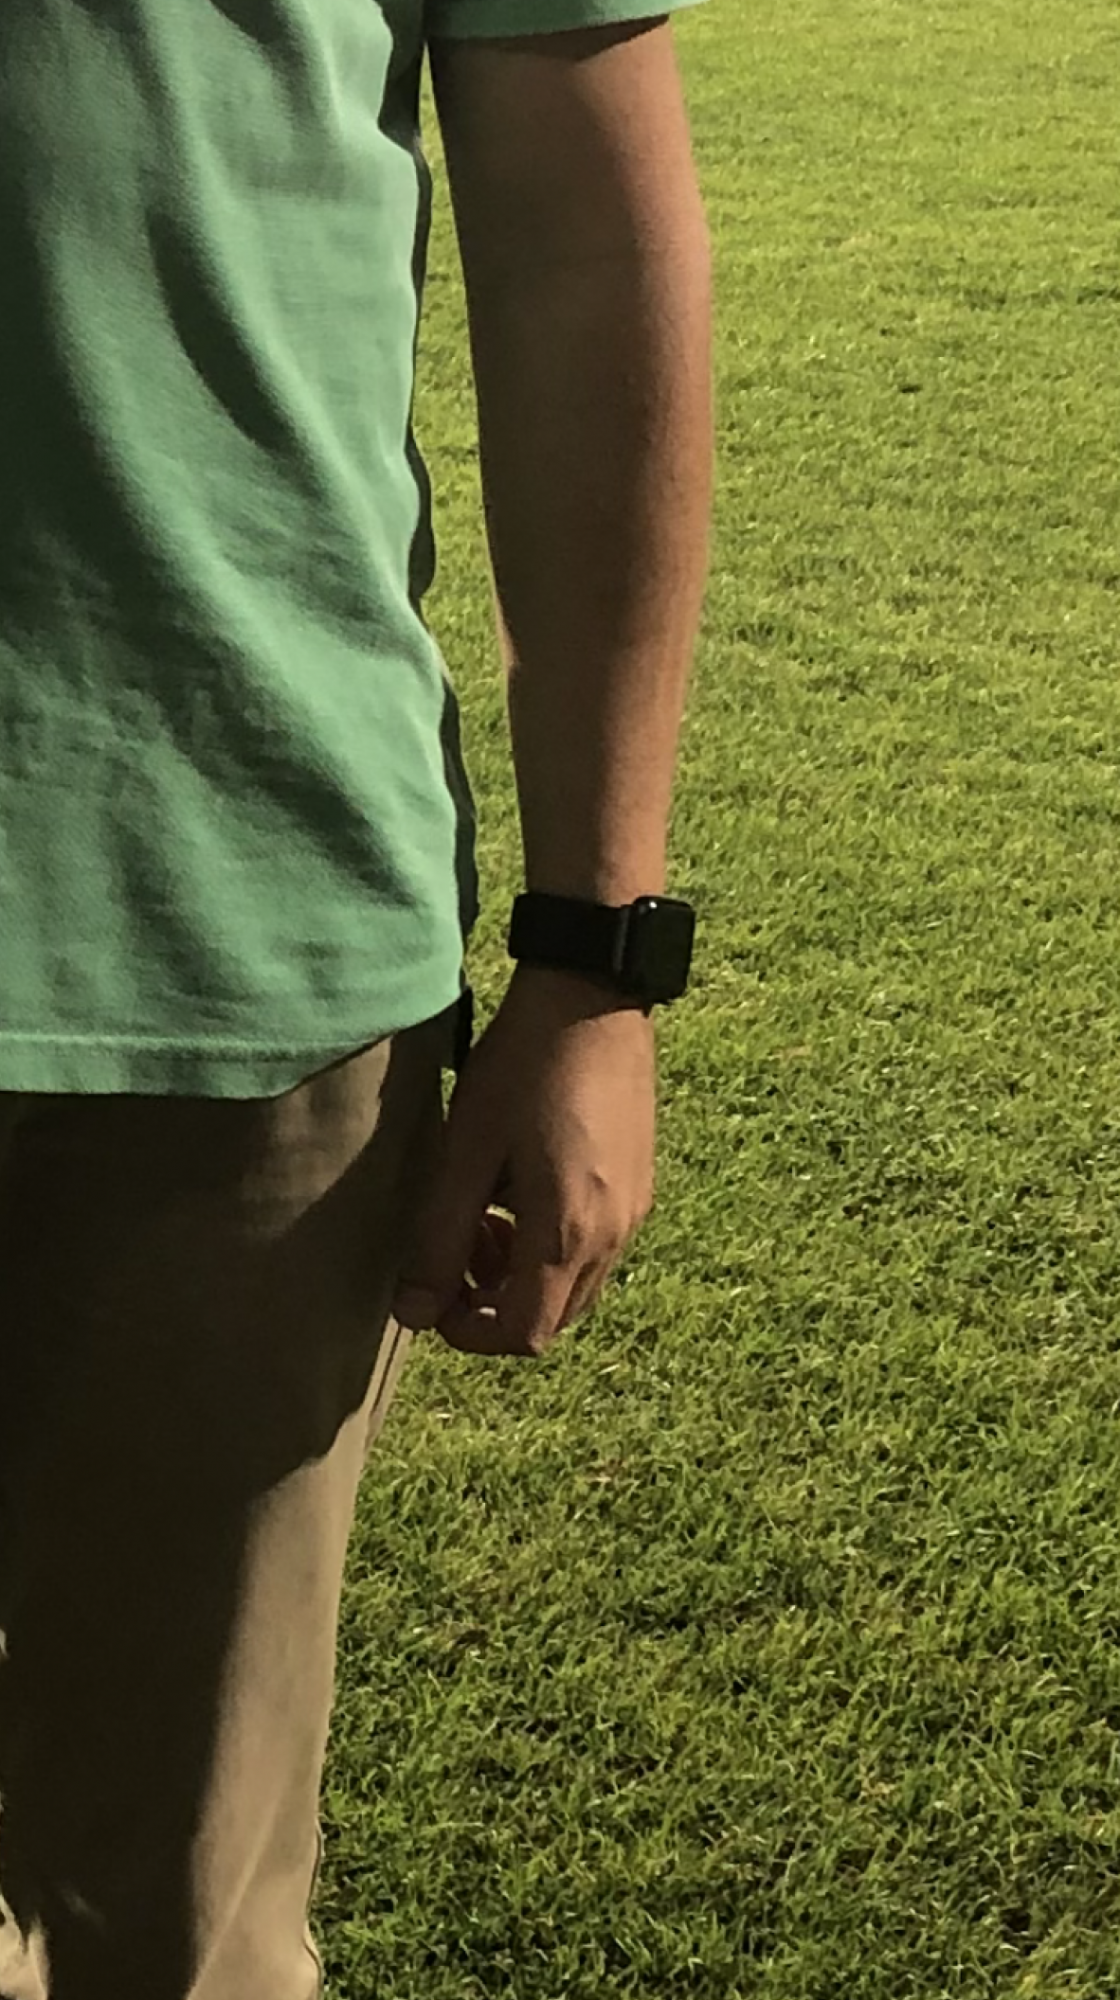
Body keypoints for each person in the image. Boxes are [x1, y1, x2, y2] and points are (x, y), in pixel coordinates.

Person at [0, 1, 713, 1994]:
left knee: (168, 1940)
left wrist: (598, 953)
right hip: (232, 938)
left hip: (229, 945)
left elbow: (583, 239)